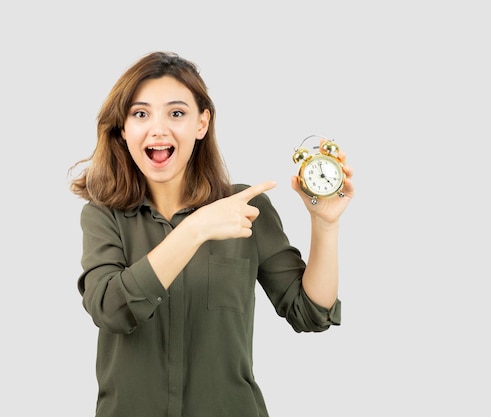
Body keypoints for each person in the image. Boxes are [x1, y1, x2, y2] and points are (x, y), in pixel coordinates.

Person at [68, 51, 354, 417]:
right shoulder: (103, 216)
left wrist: (325, 225)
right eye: (141, 114)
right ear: (123, 129)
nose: (158, 129)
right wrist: (196, 229)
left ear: (201, 123)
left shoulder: (247, 208)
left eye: (176, 113)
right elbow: (110, 309)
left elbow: (309, 313)